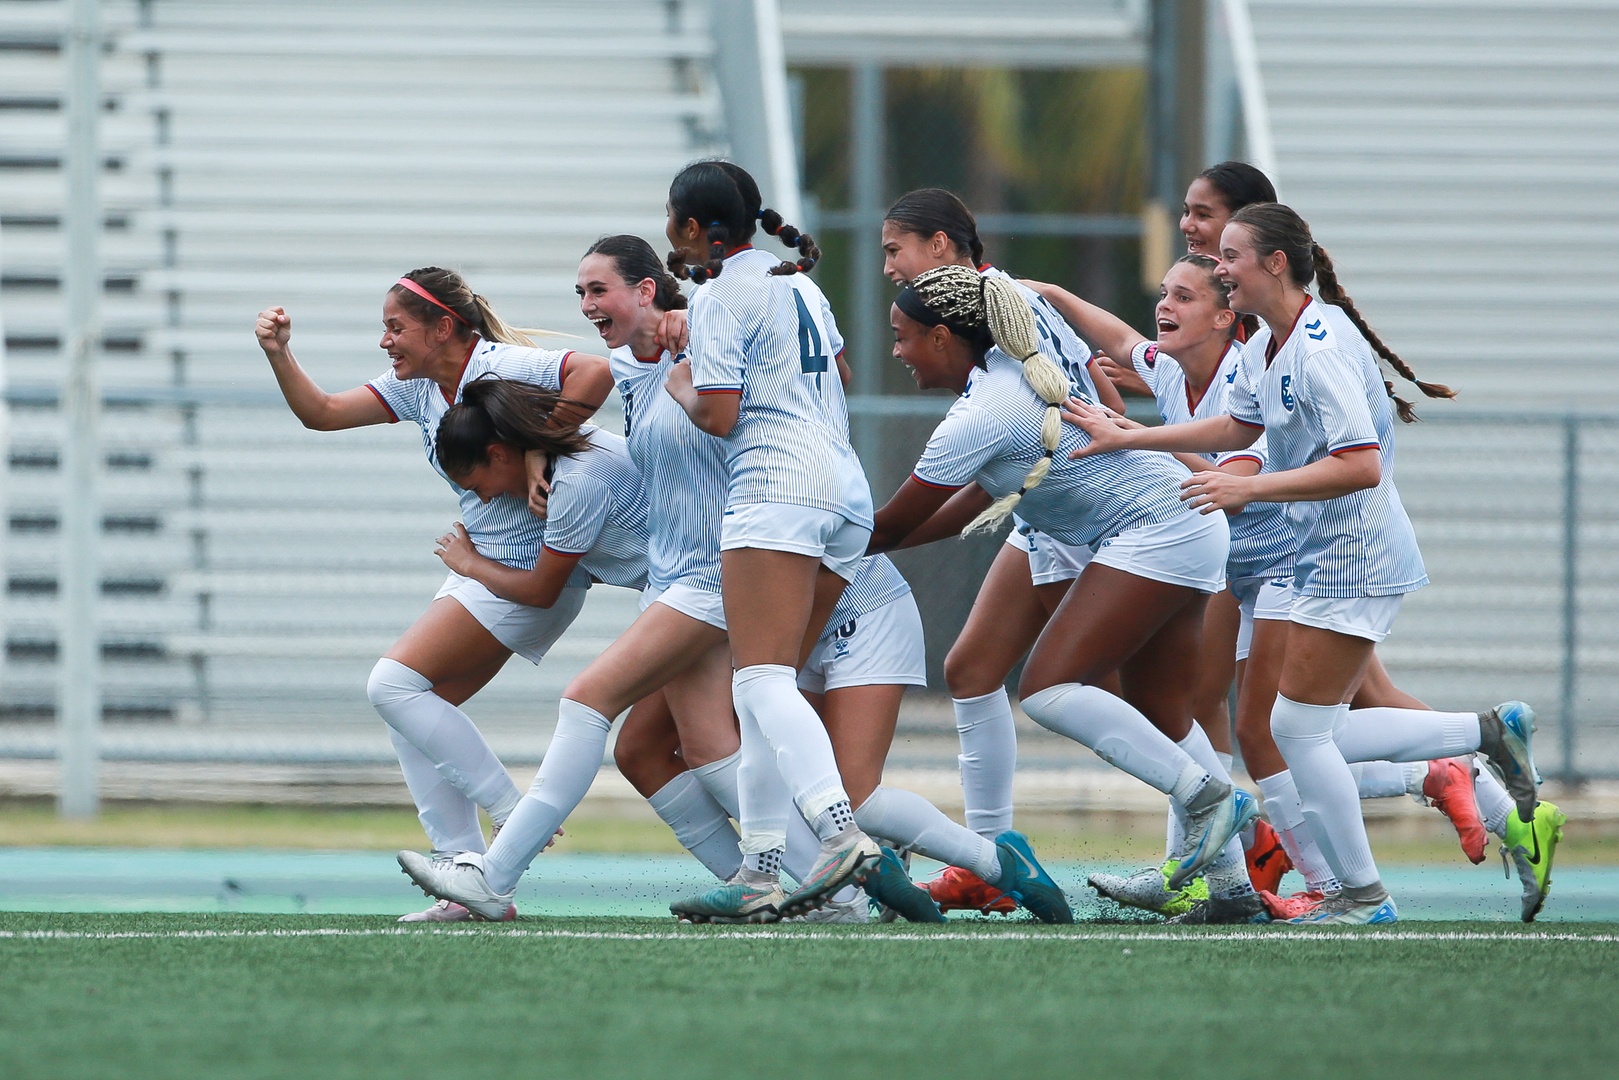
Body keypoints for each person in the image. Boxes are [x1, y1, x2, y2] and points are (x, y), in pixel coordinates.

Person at [1064, 202, 1551, 924]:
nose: (1218, 267)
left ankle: (1361, 893)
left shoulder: (1316, 348)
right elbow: (1238, 425)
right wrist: (1132, 437)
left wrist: (1246, 484)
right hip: (1320, 551)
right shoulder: (1267, 345)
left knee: (1291, 732)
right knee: (1295, 730)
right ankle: (1476, 740)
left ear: (1274, 264)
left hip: (1354, 552)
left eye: (1228, 254)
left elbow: (1358, 468)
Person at [869, 264, 1258, 916]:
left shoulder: (982, 410)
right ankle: (1231, 888)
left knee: (1048, 688)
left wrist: (803, 544)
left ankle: (1208, 798)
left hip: (1161, 527)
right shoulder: (1007, 369)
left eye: (902, 336)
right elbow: (951, 511)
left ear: (942, 338)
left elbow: (897, 520)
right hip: (1183, 519)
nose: (896, 352)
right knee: (1163, 709)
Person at [254, 268, 614, 923]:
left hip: (521, 567)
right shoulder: (420, 386)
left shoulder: (497, 365)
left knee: (391, 685)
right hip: (481, 563)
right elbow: (323, 413)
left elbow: (593, 373)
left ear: (443, 327)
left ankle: (511, 816)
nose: (385, 340)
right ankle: (465, 883)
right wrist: (279, 354)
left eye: (396, 327)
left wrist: (541, 445)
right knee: (414, 708)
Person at [878, 187, 1125, 914]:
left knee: (1117, 698)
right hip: (1044, 509)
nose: (890, 265)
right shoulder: (1002, 302)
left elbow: (1073, 389)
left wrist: (1111, 444)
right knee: (972, 667)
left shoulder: (1001, 306)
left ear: (942, 248)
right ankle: (988, 861)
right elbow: (1093, 376)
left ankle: (1228, 838)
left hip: (1085, 512)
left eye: (896, 248)